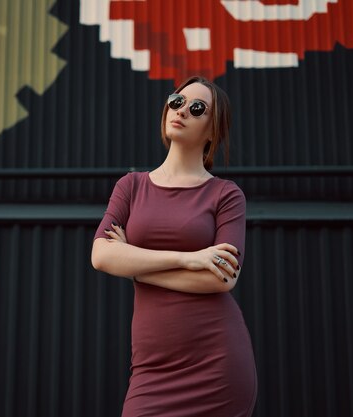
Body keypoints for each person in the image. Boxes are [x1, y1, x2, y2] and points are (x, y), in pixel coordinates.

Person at [91, 76, 257, 416]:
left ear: (213, 131)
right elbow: (101, 255)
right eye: (176, 101)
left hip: (217, 364)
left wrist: (137, 268)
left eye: (197, 108)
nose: (180, 110)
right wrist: (190, 258)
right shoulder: (131, 186)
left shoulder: (225, 195)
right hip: (152, 369)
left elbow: (221, 279)